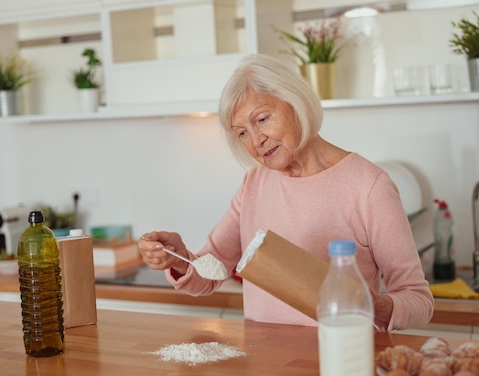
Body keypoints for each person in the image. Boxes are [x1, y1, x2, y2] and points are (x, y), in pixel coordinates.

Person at [139, 54, 434, 332]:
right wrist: (178, 259)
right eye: (241, 132)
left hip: (341, 362)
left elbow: (419, 300)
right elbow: (209, 273)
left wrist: (372, 305)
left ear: (296, 104)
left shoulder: (369, 186)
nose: (255, 140)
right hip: (266, 371)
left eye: (263, 119)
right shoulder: (253, 184)